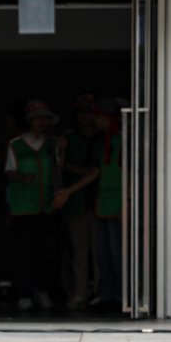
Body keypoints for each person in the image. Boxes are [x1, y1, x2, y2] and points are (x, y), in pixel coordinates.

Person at [5, 99, 66, 311]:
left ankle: (43, 291)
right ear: (30, 121)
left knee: (47, 251)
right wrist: (22, 179)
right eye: (38, 118)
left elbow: (59, 167)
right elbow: (9, 170)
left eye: (45, 118)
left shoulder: (51, 144)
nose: (42, 122)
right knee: (24, 252)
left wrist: (62, 150)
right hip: (23, 207)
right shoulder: (16, 144)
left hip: (46, 206)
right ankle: (24, 294)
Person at [55, 93, 102, 310]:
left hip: (101, 200)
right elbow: (61, 167)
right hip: (76, 202)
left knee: (101, 250)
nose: (85, 116)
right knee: (79, 250)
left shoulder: (104, 137)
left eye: (89, 111)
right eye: (81, 112)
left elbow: (98, 169)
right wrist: (62, 150)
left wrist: (80, 172)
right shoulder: (69, 138)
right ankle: (79, 294)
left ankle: (103, 294)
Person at [89, 98, 124, 311]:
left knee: (117, 252)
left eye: (100, 115)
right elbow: (97, 172)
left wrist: (127, 203)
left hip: (119, 203)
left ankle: (122, 296)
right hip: (103, 204)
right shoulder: (106, 143)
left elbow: (134, 174)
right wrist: (69, 191)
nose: (96, 120)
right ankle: (107, 294)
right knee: (102, 252)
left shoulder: (125, 141)